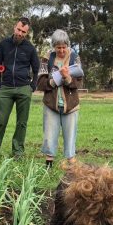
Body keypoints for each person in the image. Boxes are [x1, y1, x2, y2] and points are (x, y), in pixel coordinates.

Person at [0, 17, 40, 157]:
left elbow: (36, 69)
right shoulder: (4, 44)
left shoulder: (30, 48)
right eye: (19, 29)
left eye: (23, 32)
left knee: (22, 123)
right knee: (0, 121)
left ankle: (18, 152)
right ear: (15, 27)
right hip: (6, 89)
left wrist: (32, 86)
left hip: (24, 88)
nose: (20, 33)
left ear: (27, 33)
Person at [36, 29, 84, 167]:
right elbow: (40, 83)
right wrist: (53, 81)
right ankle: (49, 163)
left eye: (64, 47)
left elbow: (79, 82)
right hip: (51, 103)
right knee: (49, 134)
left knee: (70, 135)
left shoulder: (75, 58)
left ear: (67, 45)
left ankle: (71, 163)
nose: (61, 50)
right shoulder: (46, 59)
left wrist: (67, 78)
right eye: (58, 47)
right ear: (53, 47)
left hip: (71, 104)